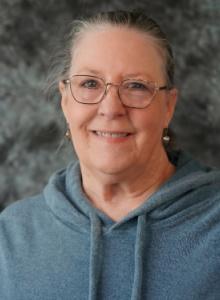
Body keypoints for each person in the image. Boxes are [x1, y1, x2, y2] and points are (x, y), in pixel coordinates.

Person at [0, 9, 220, 300]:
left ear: (169, 106)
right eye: (90, 84)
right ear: (66, 100)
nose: (111, 108)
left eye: (136, 86)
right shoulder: (10, 237)